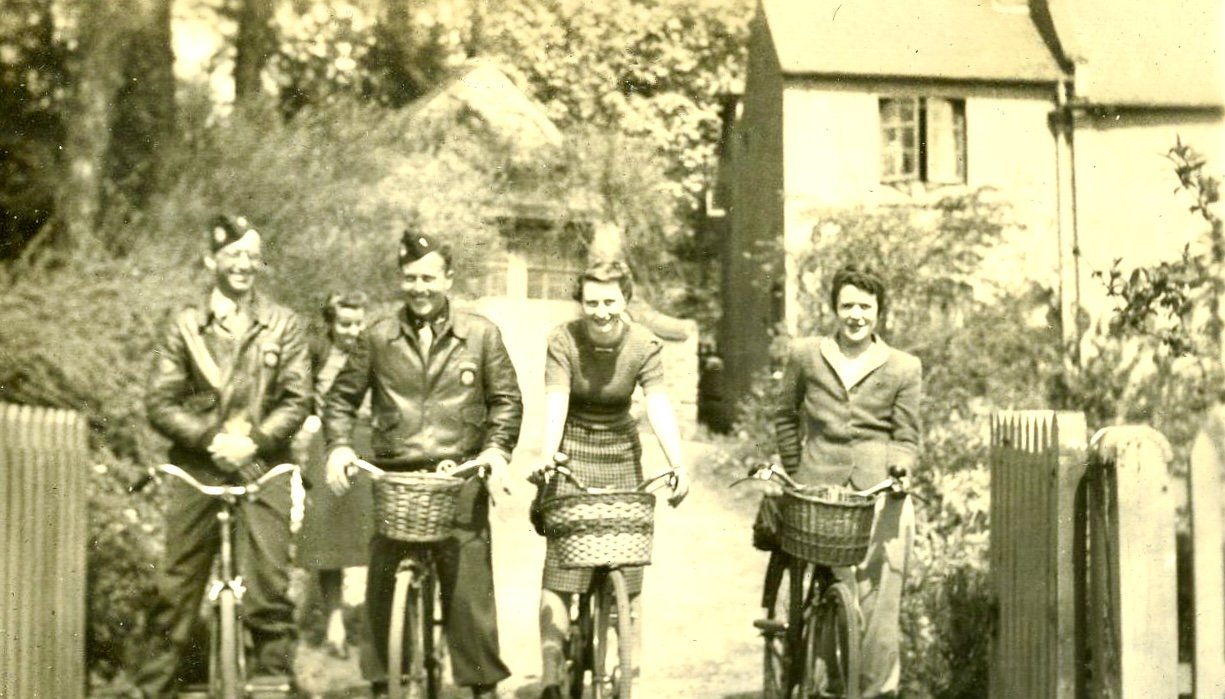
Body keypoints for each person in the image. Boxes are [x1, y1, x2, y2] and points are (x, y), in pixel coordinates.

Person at [322, 228, 522, 699]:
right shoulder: (376, 338)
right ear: (401, 280)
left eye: (429, 278)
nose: (420, 288)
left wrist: (495, 452)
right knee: (382, 586)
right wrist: (339, 446)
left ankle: (481, 687)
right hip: (396, 478)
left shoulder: (481, 335)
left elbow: (507, 401)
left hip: (460, 476)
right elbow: (340, 401)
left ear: (448, 279)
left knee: (470, 590)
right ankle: (384, 681)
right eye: (411, 278)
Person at [138, 214, 312, 697]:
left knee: (269, 590)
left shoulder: (284, 324)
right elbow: (160, 400)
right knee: (175, 591)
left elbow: (298, 399)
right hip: (198, 469)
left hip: (263, 467)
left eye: (252, 256)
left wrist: (253, 441)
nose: (243, 265)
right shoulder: (185, 326)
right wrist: (211, 439)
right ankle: (151, 688)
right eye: (233, 255)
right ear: (210, 260)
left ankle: (274, 681)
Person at [535, 260, 690, 699]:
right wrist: (549, 456)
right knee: (562, 570)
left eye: (609, 301)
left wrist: (678, 462)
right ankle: (550, 672)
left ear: (625, 300)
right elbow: (556, 401)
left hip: (621, 452)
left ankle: (628, 666)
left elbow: (658, 405)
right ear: (579, 302)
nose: (600, 311)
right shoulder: (563, 340)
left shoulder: (644, 344)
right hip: (572, 449)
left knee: (628, 563)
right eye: (591, 302)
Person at [770, 264, 921, 699]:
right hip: (820, 491)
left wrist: (901, 468)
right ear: (834, 308)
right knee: (839, 592)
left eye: (865, 307)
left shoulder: (903, 367)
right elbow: (785, 415)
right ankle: (828, 683)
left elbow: (907, 435)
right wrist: (798, 470)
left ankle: (877, 692)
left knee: (881, 604)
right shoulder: (805, 355)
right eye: (847, 305)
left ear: (879, 312)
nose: (856, 315)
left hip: (880, 491)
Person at [294, 290, 373, 658]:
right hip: (327, 443)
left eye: (359, 323)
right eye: (345, 323)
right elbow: (300, 394)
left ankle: (378, 623)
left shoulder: (373, 348)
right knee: (327, 539)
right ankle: (334, 626)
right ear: (330, 322)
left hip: (370, 441)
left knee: (377, 535)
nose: (353, 331)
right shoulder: (316, 352)